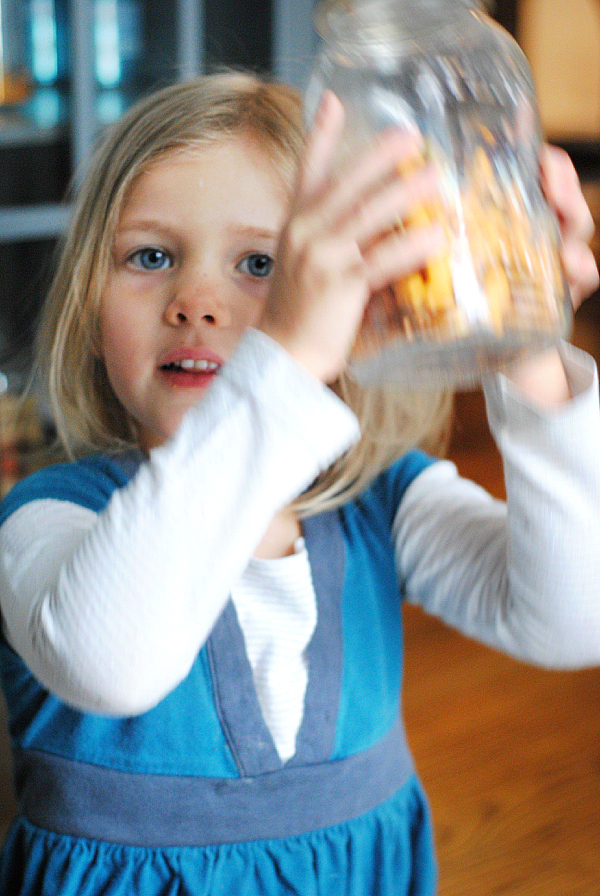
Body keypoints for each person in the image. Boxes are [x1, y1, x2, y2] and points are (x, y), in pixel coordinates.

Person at [0, 72, 599, 896]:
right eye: (150, 256)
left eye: (260, 264)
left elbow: (571, 618)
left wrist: (525, 346)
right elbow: (114, 662)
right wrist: (282, 355)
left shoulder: (382, 504)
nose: (197, 301)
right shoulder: (45, 522)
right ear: (87, 304)